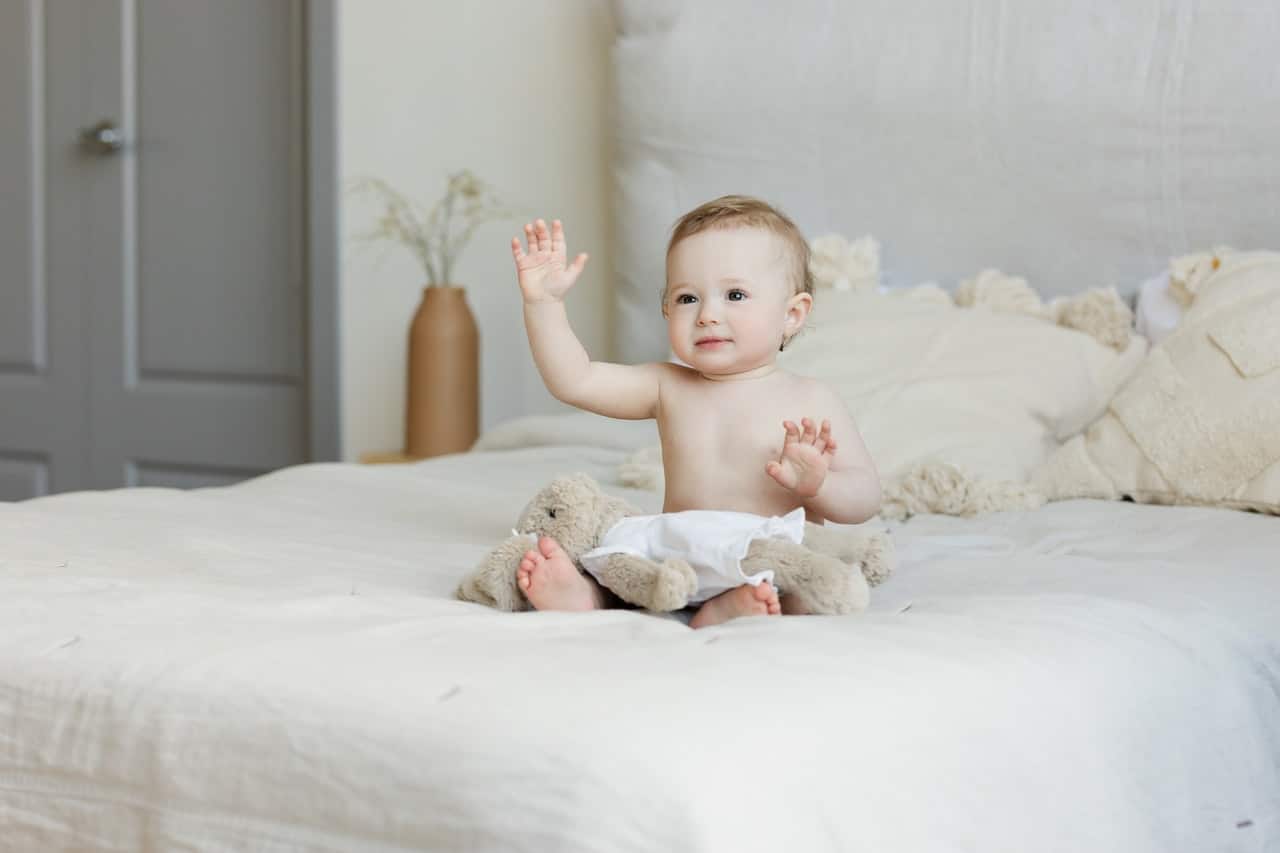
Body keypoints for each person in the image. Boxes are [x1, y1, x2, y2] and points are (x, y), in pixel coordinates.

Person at [511, 195, 881, 628]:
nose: (707, 315)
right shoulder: (668, 386)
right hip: (680, 554)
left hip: (764, 555)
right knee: (621, 558)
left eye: (735, 294)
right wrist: (544, 306)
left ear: (793, 315)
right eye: (687, 298)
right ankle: (588, 595)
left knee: (811, 588)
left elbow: (865, 498)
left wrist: (817, 484)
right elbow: (575, 380)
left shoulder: (811, 398)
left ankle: (735, 606)